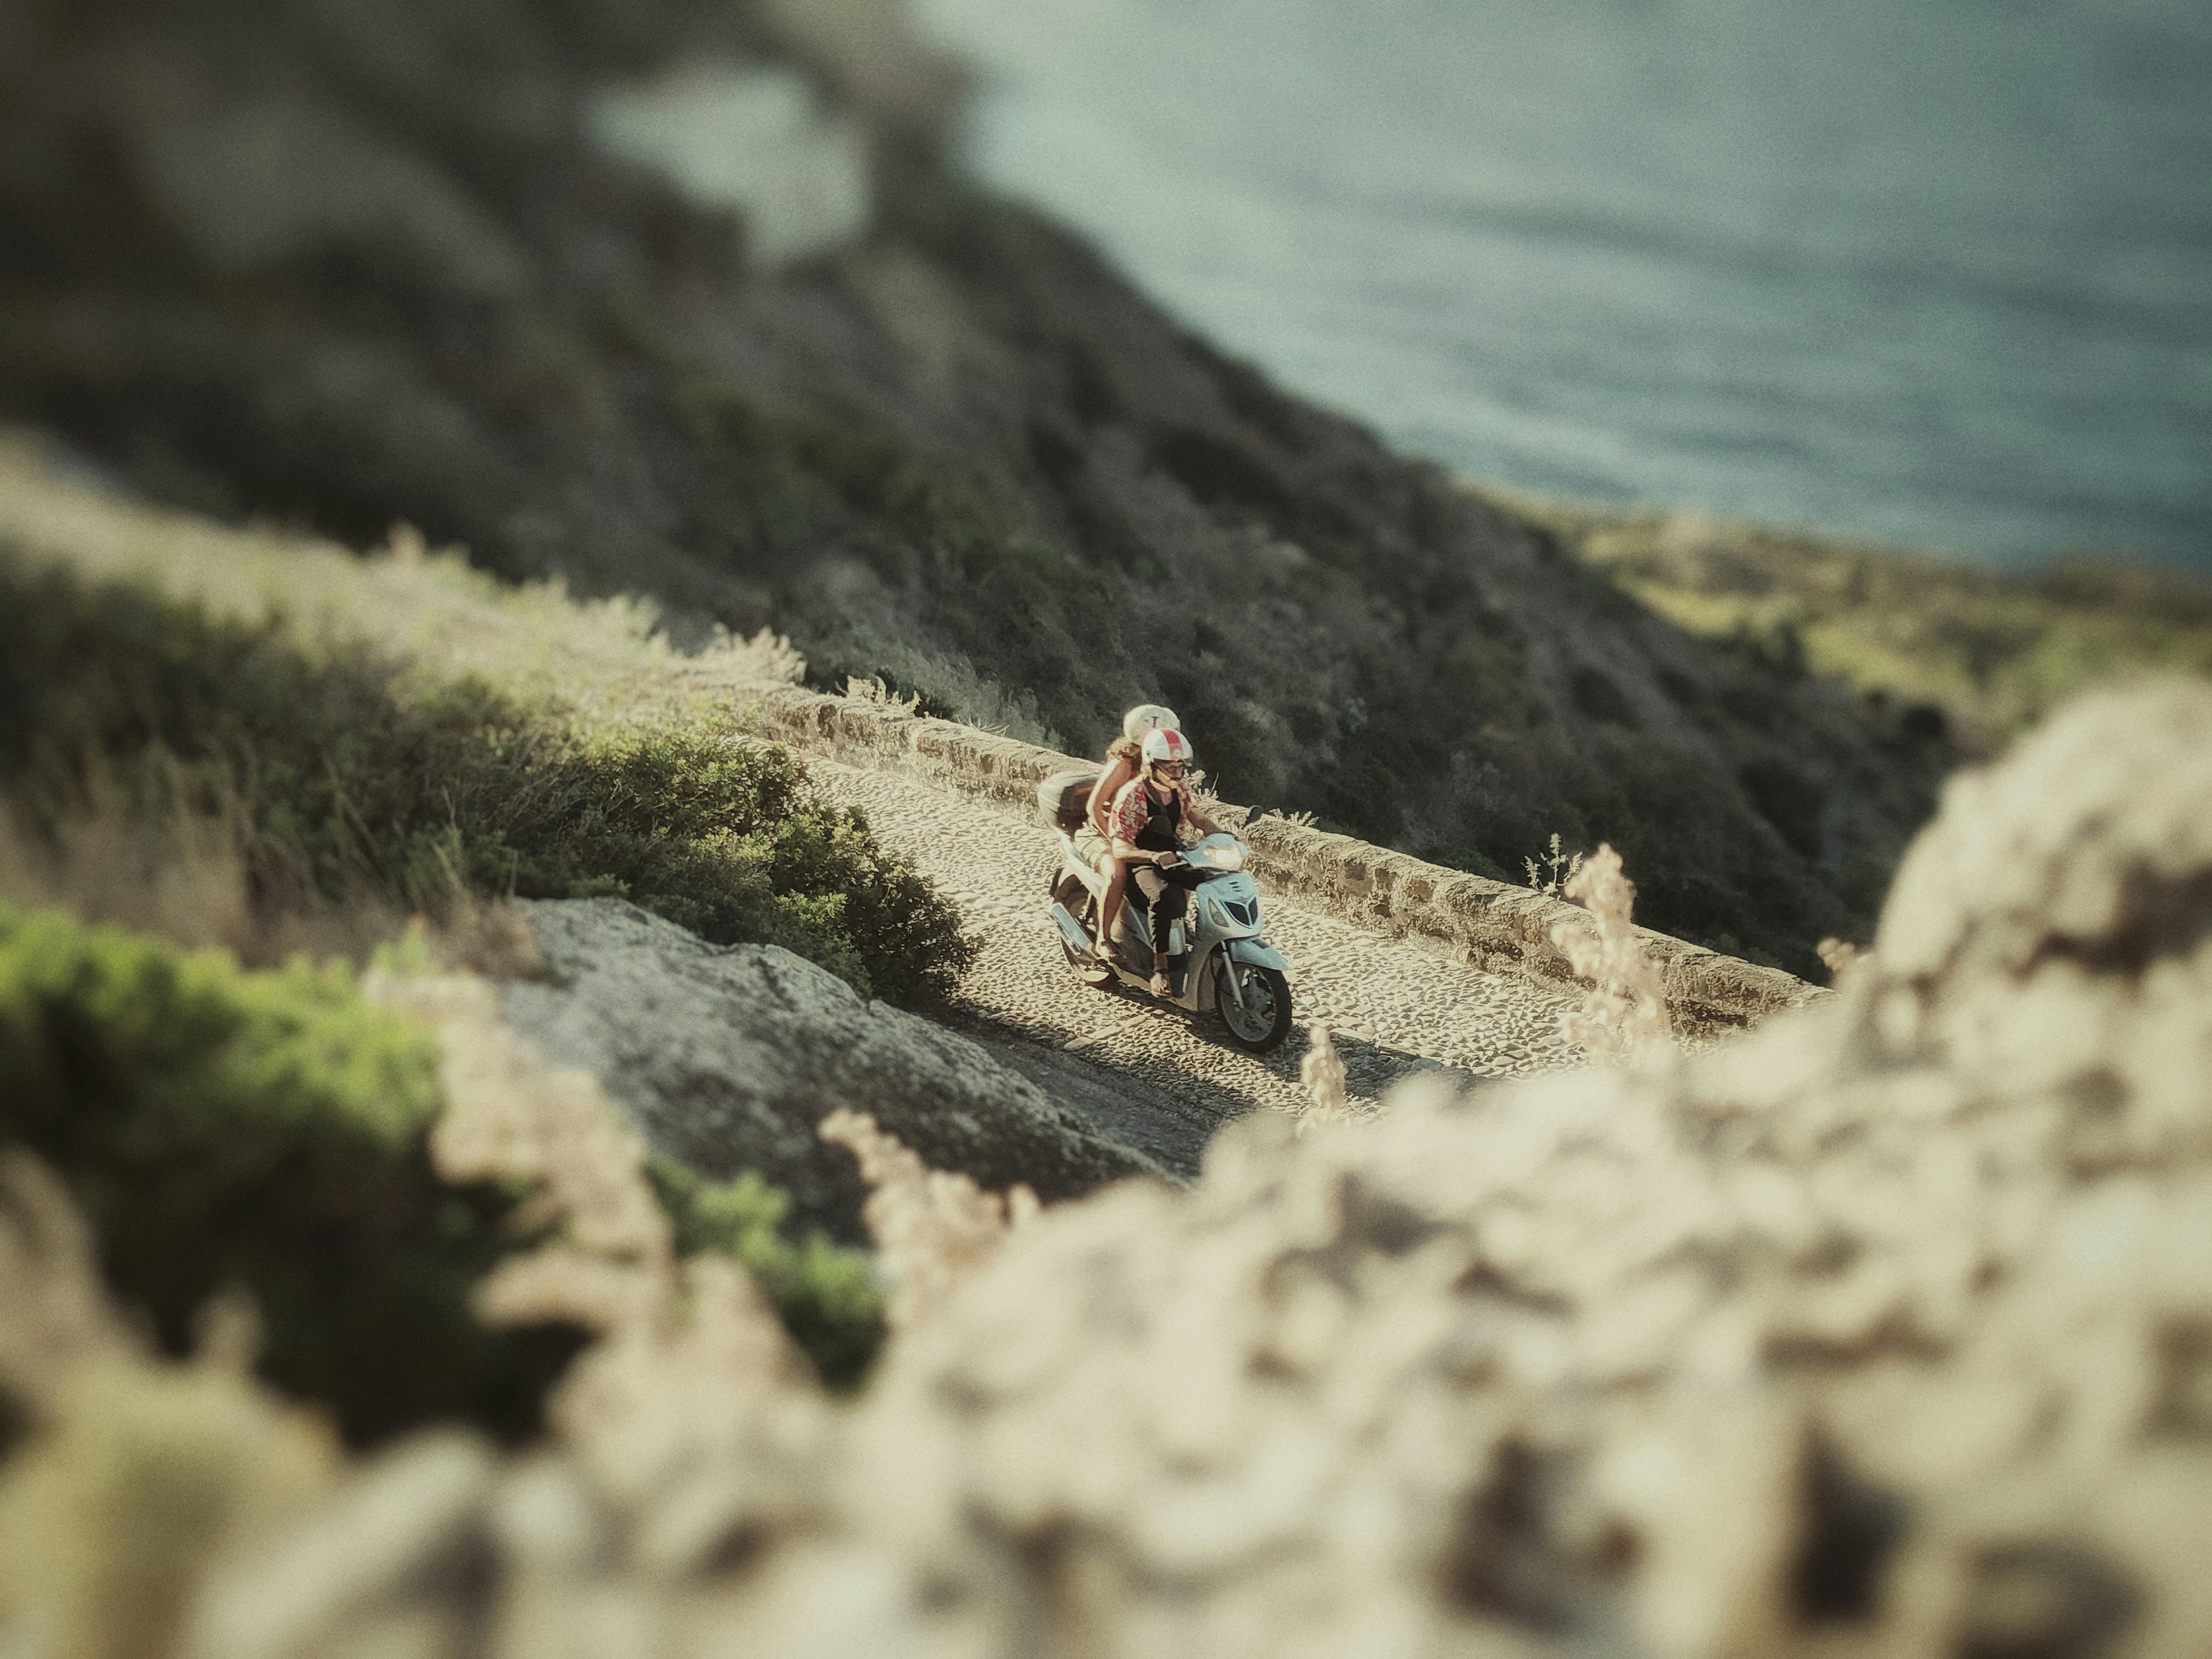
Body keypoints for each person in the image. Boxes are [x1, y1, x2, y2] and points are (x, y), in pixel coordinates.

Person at [1109, 727, 1227, 996]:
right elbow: (1119, 847)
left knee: (1214, 880)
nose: (1177, 773)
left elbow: (1198, 818)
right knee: (1165, 896)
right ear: (1151, 765)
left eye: (1181, 767)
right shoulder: (1132, 795)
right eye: (1170, 767)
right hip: (1142, 860)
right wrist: (1152, 856)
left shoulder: (1180, 789)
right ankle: (1160, 969)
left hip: (1175, 854)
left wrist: (1226, 837)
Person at [1081, 704, 1179, 963]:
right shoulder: (1124, 765)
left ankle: (1172, 929)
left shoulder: (1165, 767)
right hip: (1101, 834)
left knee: (1184, 868)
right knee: (1117, 872)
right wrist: (1117, 842)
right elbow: (1094, 808)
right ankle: (1103, 939)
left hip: (1140, 837)